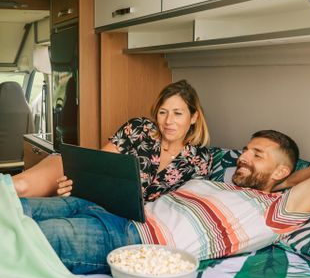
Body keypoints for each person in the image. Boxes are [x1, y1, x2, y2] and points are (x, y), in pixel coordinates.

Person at [18, 129, 310, 274]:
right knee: (13, 211)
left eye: (257, 154)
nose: (243, 157)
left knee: (26, 241)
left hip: (137, 241)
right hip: (110, 209)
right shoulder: (217, 182)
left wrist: (286, 181)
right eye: (245, 150)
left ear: (282, 170)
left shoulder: (275, 210)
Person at [13, 79, 212, 200]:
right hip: (94, 198)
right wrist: (72, 186)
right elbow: (96, 167)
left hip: (124, 222)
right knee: (18, 191)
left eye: (178, 113)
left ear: (193, 117)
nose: (169, 121)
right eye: (163, 112)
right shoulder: (139, 128)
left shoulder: (200, 160)